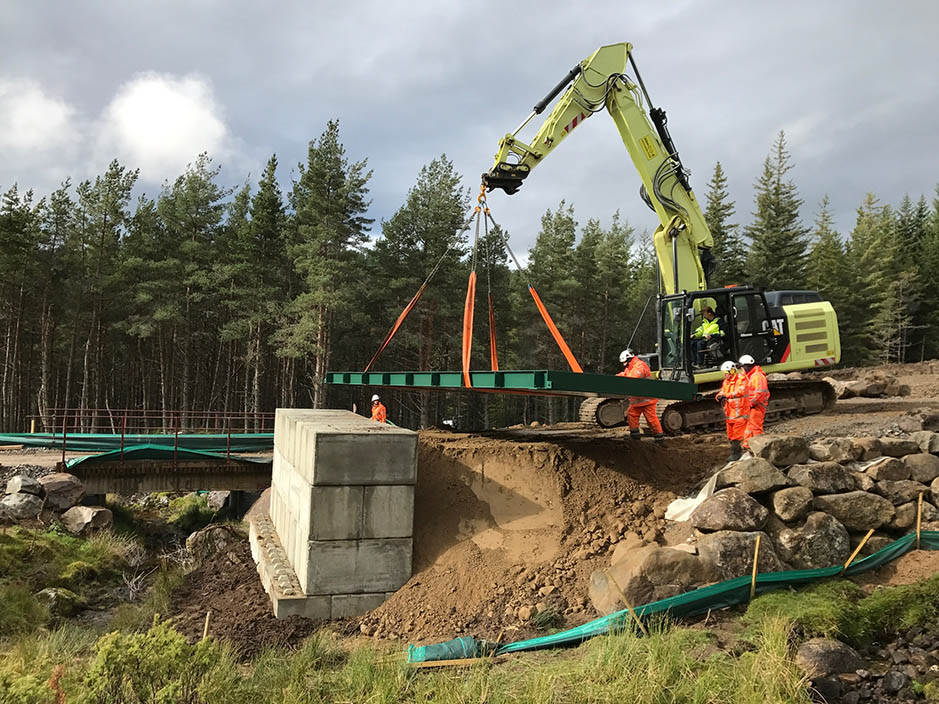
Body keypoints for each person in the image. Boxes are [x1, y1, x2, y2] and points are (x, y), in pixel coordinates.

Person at [616, 349, 664, 442]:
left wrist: (624, 378)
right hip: (637, 400)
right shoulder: (630, 367)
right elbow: (625, 374)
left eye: (625, 362)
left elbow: (635, 377)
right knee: (631, 415)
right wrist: (617, 376)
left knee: (651, 419)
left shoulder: (640, 365)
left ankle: (659, 438)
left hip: (647, 400)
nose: (624, 364)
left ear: (629, 359)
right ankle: (635, 436)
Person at [715, 360, 749, 462]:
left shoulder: (741, 379)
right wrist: (719, 396)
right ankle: (735, 453)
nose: (725, 375)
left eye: (726, 373)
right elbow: (723, 391)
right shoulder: (726, 381)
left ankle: (736, 454)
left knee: (737, 436)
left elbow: (740, 392)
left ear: (732, 371)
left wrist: (726, 395)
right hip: (730, 414)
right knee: (730, 435)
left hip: (740, 414)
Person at [739, 354, 769, 448]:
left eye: (742, 367)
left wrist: (750, 403)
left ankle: (759, 447)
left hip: (756, 406)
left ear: (747, 366)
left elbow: (760, 393)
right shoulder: (749, 376)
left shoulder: (758, 377)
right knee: (748, 427)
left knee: (756, 427)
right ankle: (747, 445)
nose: (741, 369)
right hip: (751, 406)